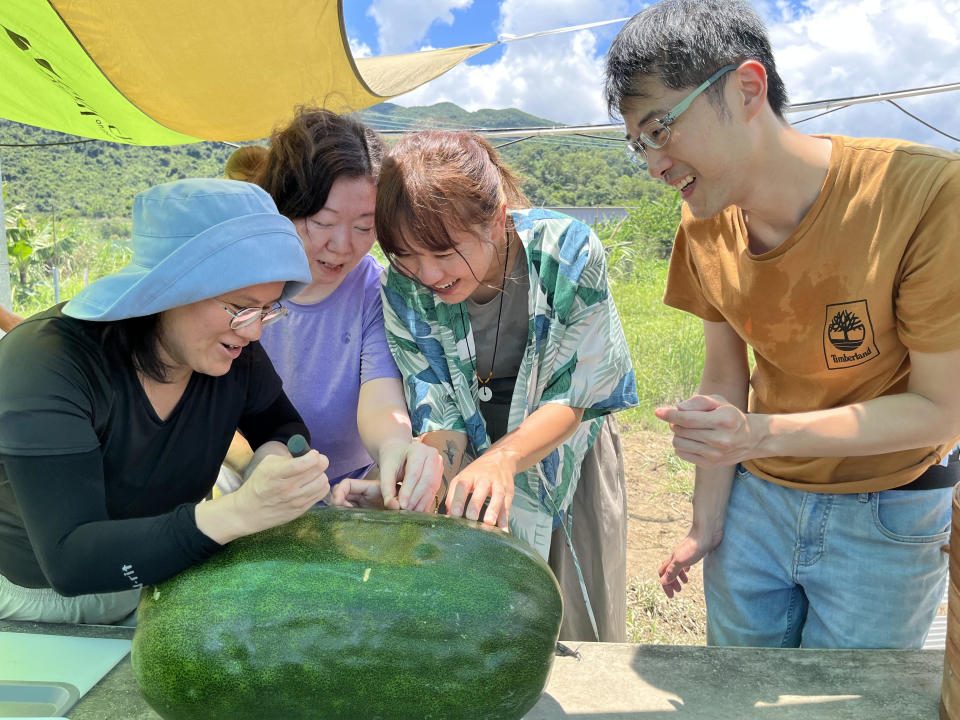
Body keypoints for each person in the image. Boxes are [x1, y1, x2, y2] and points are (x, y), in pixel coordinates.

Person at [604, 0, 960, 649]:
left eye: (661, 129)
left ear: (746, 89)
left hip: (889, 507)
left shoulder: (923, 196)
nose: (654, 163)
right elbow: (723, 376)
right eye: (638, 145)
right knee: (738, 694)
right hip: (756, 504)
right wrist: (706, 522)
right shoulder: (702, 222)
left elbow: (940, 411)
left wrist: (755, 435)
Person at [0, 178, 337, 625]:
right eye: (240, 307)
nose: (255, 331)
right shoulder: (49, 366)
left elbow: (282, 427)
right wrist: (239, 511)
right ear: (169, 292)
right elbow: (71, 561)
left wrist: (273, 464)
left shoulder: (235, 352)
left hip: (171, 573)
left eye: (269, 308)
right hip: (39, 605)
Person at [374, 130, 638, 642]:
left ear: (497, 220)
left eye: (445, 252)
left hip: (564, 452)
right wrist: (426, 485)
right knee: (483, 633)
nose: (427, 274)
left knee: (571, 627)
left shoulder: (567, 253)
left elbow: (575, 396)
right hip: (472, 465)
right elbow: (437, 410)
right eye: (406, 255)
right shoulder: (400, 285)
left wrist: (503, 458)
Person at [231, 107, 443, 511]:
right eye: (323, 222)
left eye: (365, 227)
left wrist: (396, 453)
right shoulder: (239, 286)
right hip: (251, 483)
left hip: (350, 491)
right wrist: (256, 466)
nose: (343, 246)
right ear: (282, 205)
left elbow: (381, 401)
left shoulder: (374, 291)